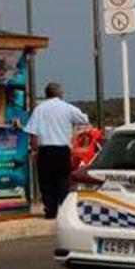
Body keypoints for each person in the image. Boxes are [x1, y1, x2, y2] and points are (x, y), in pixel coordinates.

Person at [25, 82, 90, 218]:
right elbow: (84, 119)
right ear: (60, 94)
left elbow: (32, 132)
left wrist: (34, 150)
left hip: (45, 150)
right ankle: (65, 211)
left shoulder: (39, 109)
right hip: (62, 150)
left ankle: (50, 211)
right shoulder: (67, 108)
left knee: (46, 181)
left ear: (46, 94)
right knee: (62, 180)